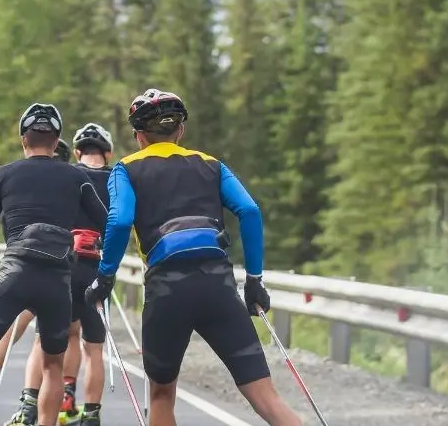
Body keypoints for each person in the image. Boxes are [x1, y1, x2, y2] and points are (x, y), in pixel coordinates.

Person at [85, 89, 302, 426]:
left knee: (161, 395)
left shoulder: (126, 169)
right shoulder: (211, 164)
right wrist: (255, 281)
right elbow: (249, 210)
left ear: (138, 136)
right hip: (217, 284)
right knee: (263, 394)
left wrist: (105, 277)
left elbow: (121, 220)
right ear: (180, 131)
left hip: (167, 289)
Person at [0, 103, 108, 426]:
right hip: (57, 280)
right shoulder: (75, 176)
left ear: (23, 140)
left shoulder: (5, 174)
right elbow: (105, 222)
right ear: (56, 143)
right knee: (52, 366)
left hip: (14, 271)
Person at [0, 131, 84, 420]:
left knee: (13, 324)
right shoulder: (75, 182)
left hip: (25, 264)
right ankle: (61, 397)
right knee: (63, 338)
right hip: (66, 268)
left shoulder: (16, 177)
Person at [4, 122, 115, 426]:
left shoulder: (71, 177)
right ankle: (90, 415)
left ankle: (29, 407)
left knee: (45, 340)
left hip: (63, 266)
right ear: (108, 152)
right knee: (93, 347)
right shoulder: (116, 180)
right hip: (95, 265)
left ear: (76, 152)